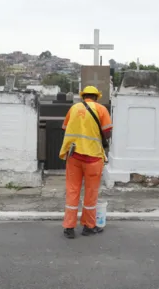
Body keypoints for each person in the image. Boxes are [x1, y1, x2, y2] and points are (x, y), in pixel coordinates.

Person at [59, 86, 112, 239]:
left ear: (83, 97)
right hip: (94, 157)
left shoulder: (74, 108)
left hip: (74, 156)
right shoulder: (101, 109)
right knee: (91, 192)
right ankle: (89, 226)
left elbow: (65, 128)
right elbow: (107, 133)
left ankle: (69, 227)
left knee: (72, 190)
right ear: (97, 97)